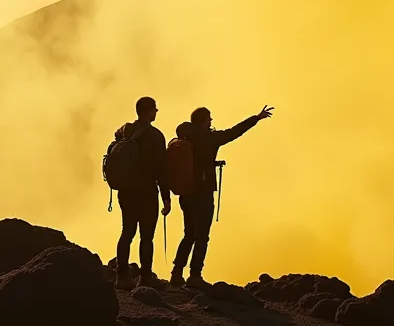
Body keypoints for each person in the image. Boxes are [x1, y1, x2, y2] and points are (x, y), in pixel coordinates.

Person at [171, 104, 274, 286]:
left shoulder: (185, 137)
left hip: (186, 193)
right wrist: (256, 118)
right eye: (209, 118)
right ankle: (195, 276)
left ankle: (176, 273)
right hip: (202, 194)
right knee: (202, 235)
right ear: (203, 122)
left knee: (189, 234)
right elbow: (235, 132)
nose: (211, 121)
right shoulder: (210, 138)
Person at [114, 96, 172, 290]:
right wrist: (166, 197)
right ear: (148, 112)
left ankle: (122, 277)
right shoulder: (156, 136)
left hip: (125, 190)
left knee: (127, 232)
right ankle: (145, 278)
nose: (156, 112)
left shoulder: (124, 131)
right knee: (146, 237)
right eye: (155, 110)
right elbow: (161, 169)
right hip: (146, 191)